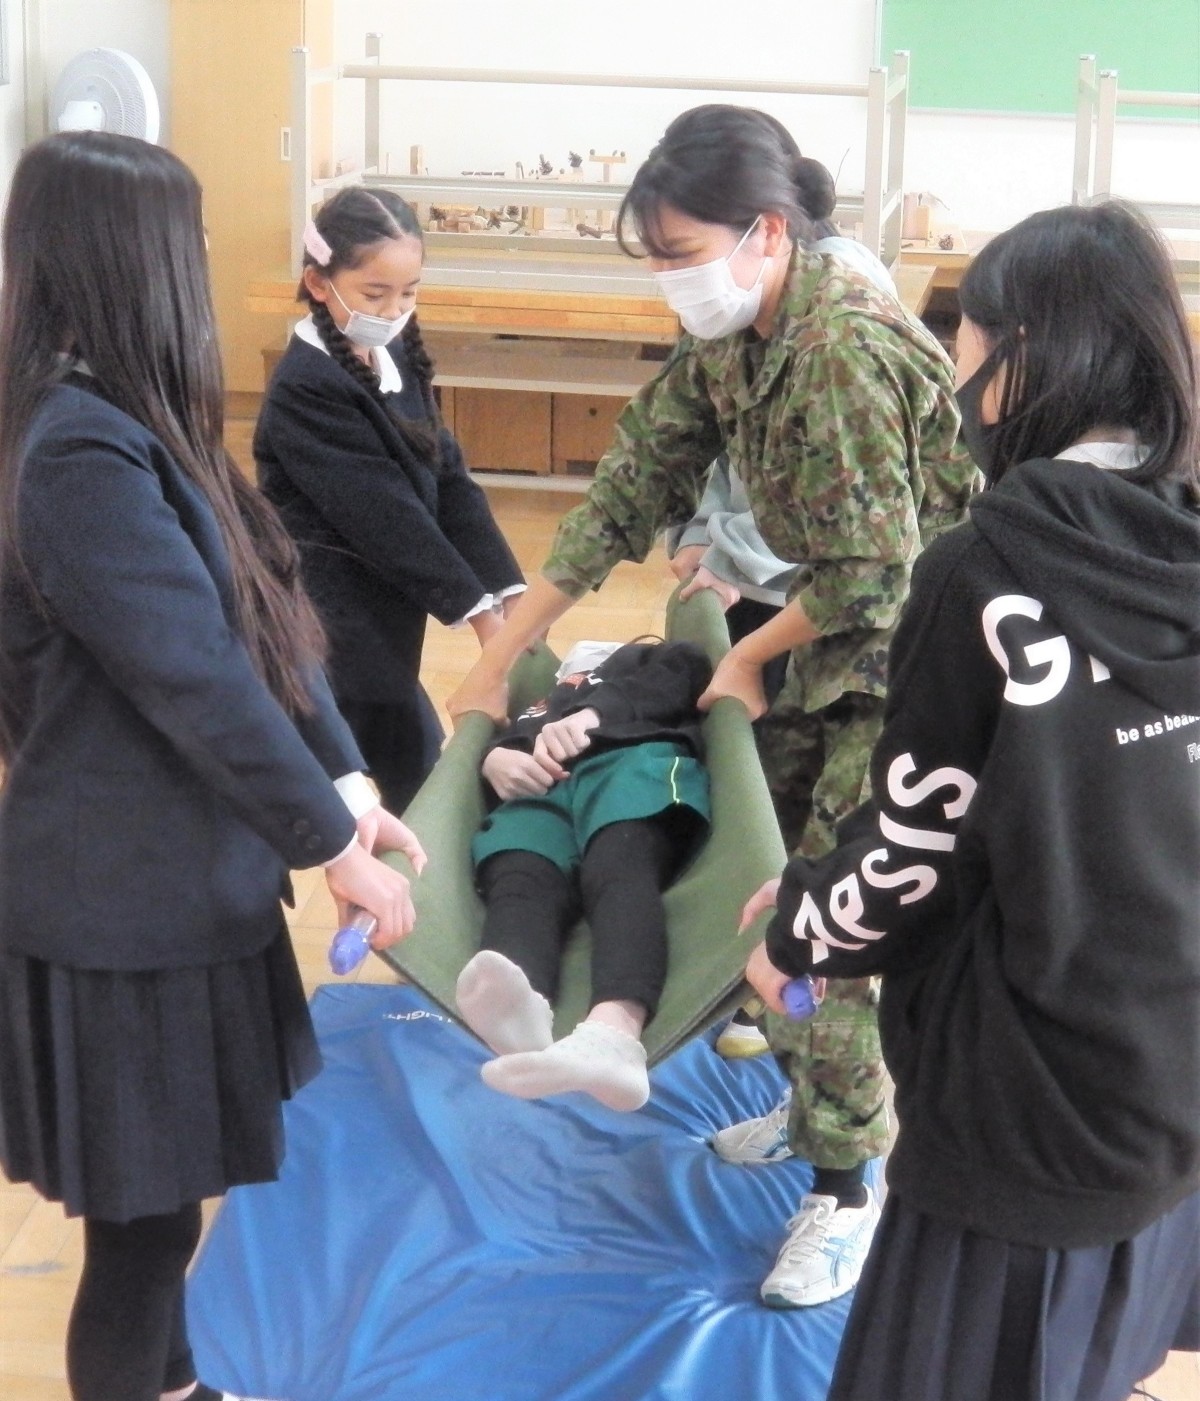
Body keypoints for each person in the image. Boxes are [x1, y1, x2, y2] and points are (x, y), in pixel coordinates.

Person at [449, 104, 976, 1307]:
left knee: (827, 919)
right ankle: (807, 1107)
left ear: (767, 233)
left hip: (908, 660)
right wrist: (499, 659)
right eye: (658, 262)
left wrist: (744, 661)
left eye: (683, 256)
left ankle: (850, 1187)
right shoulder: (741, 333)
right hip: (824, 640)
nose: (672, 284)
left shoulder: (839, 347)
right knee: (757, 877)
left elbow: (876, 575)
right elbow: (628, 487)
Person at [743, 200, 1200, 1400]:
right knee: (1095, 1351)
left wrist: (796, 930)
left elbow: (915, 844)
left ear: (1022, 359)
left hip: (1030, 1102)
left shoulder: (989, 569)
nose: (958, 378)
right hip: (1174, 1062)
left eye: (967, 344)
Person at [0, 133, 426, 1401]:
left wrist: (350, 789)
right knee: (137, 1239)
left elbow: (266, 620)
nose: (199, 263)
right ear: (132, 259)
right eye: (183, 241)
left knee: (166, 1214)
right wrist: (331, 845)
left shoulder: (138, 422)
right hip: (116, 910)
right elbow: (194, 675)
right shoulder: (74, 450)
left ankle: (179, 1388)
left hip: (178, 887)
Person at [667, 234, 898, 1060]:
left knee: (835, 863)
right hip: (778, 620)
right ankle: (757, 998)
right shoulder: (739, 330)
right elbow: (699, 460)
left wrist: (744, 628)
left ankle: (830, 1102)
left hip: (851, 643)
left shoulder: (839, 334)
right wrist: (698, 539)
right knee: (769, 813)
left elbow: (860, 559)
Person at [255, 186, 525, 815]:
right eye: (375, 294)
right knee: (398, 769)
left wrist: (508, 590)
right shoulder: (305, 386)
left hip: (385, 610)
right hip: (328, 617)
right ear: (318, 283)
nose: (394, 310)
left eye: (409, 293)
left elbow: (447, 475)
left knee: (403, 762)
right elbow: (387, 519)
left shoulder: (394, 349)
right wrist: (482, 619)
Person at [455, 638, 712, 1112]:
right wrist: (495, 758)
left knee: (617, 866)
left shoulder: (641, 661)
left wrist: (593, 713)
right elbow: (503, 747)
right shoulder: (537, 705)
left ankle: (616, 1032)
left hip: (628, 759)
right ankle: (522, 1011)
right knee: (520, 876)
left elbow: (689, 667)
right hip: (540, 787)